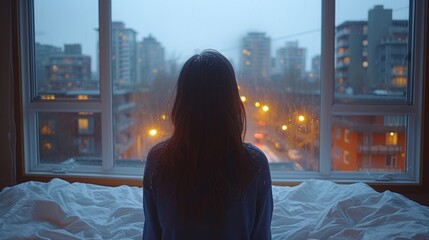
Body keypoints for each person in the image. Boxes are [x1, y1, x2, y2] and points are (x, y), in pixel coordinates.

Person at [143, 49, 273, 240]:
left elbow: (152, 234)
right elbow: (261, 235)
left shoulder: (158, 159)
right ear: (231, 101)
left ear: (182, 102)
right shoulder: (254, 163)